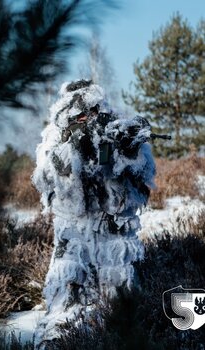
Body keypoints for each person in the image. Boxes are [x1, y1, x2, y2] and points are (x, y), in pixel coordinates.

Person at [32, 80, 156, 346]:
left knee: (118, 311)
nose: (89, 118)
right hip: (73, 239)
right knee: (64, 309)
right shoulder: (55, 138)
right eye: (81, 114)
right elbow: (44, 178)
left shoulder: (112, 131)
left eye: (93, 111)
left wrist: (130, 150)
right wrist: (74, 149)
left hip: (115, 241)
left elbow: (142, 178)